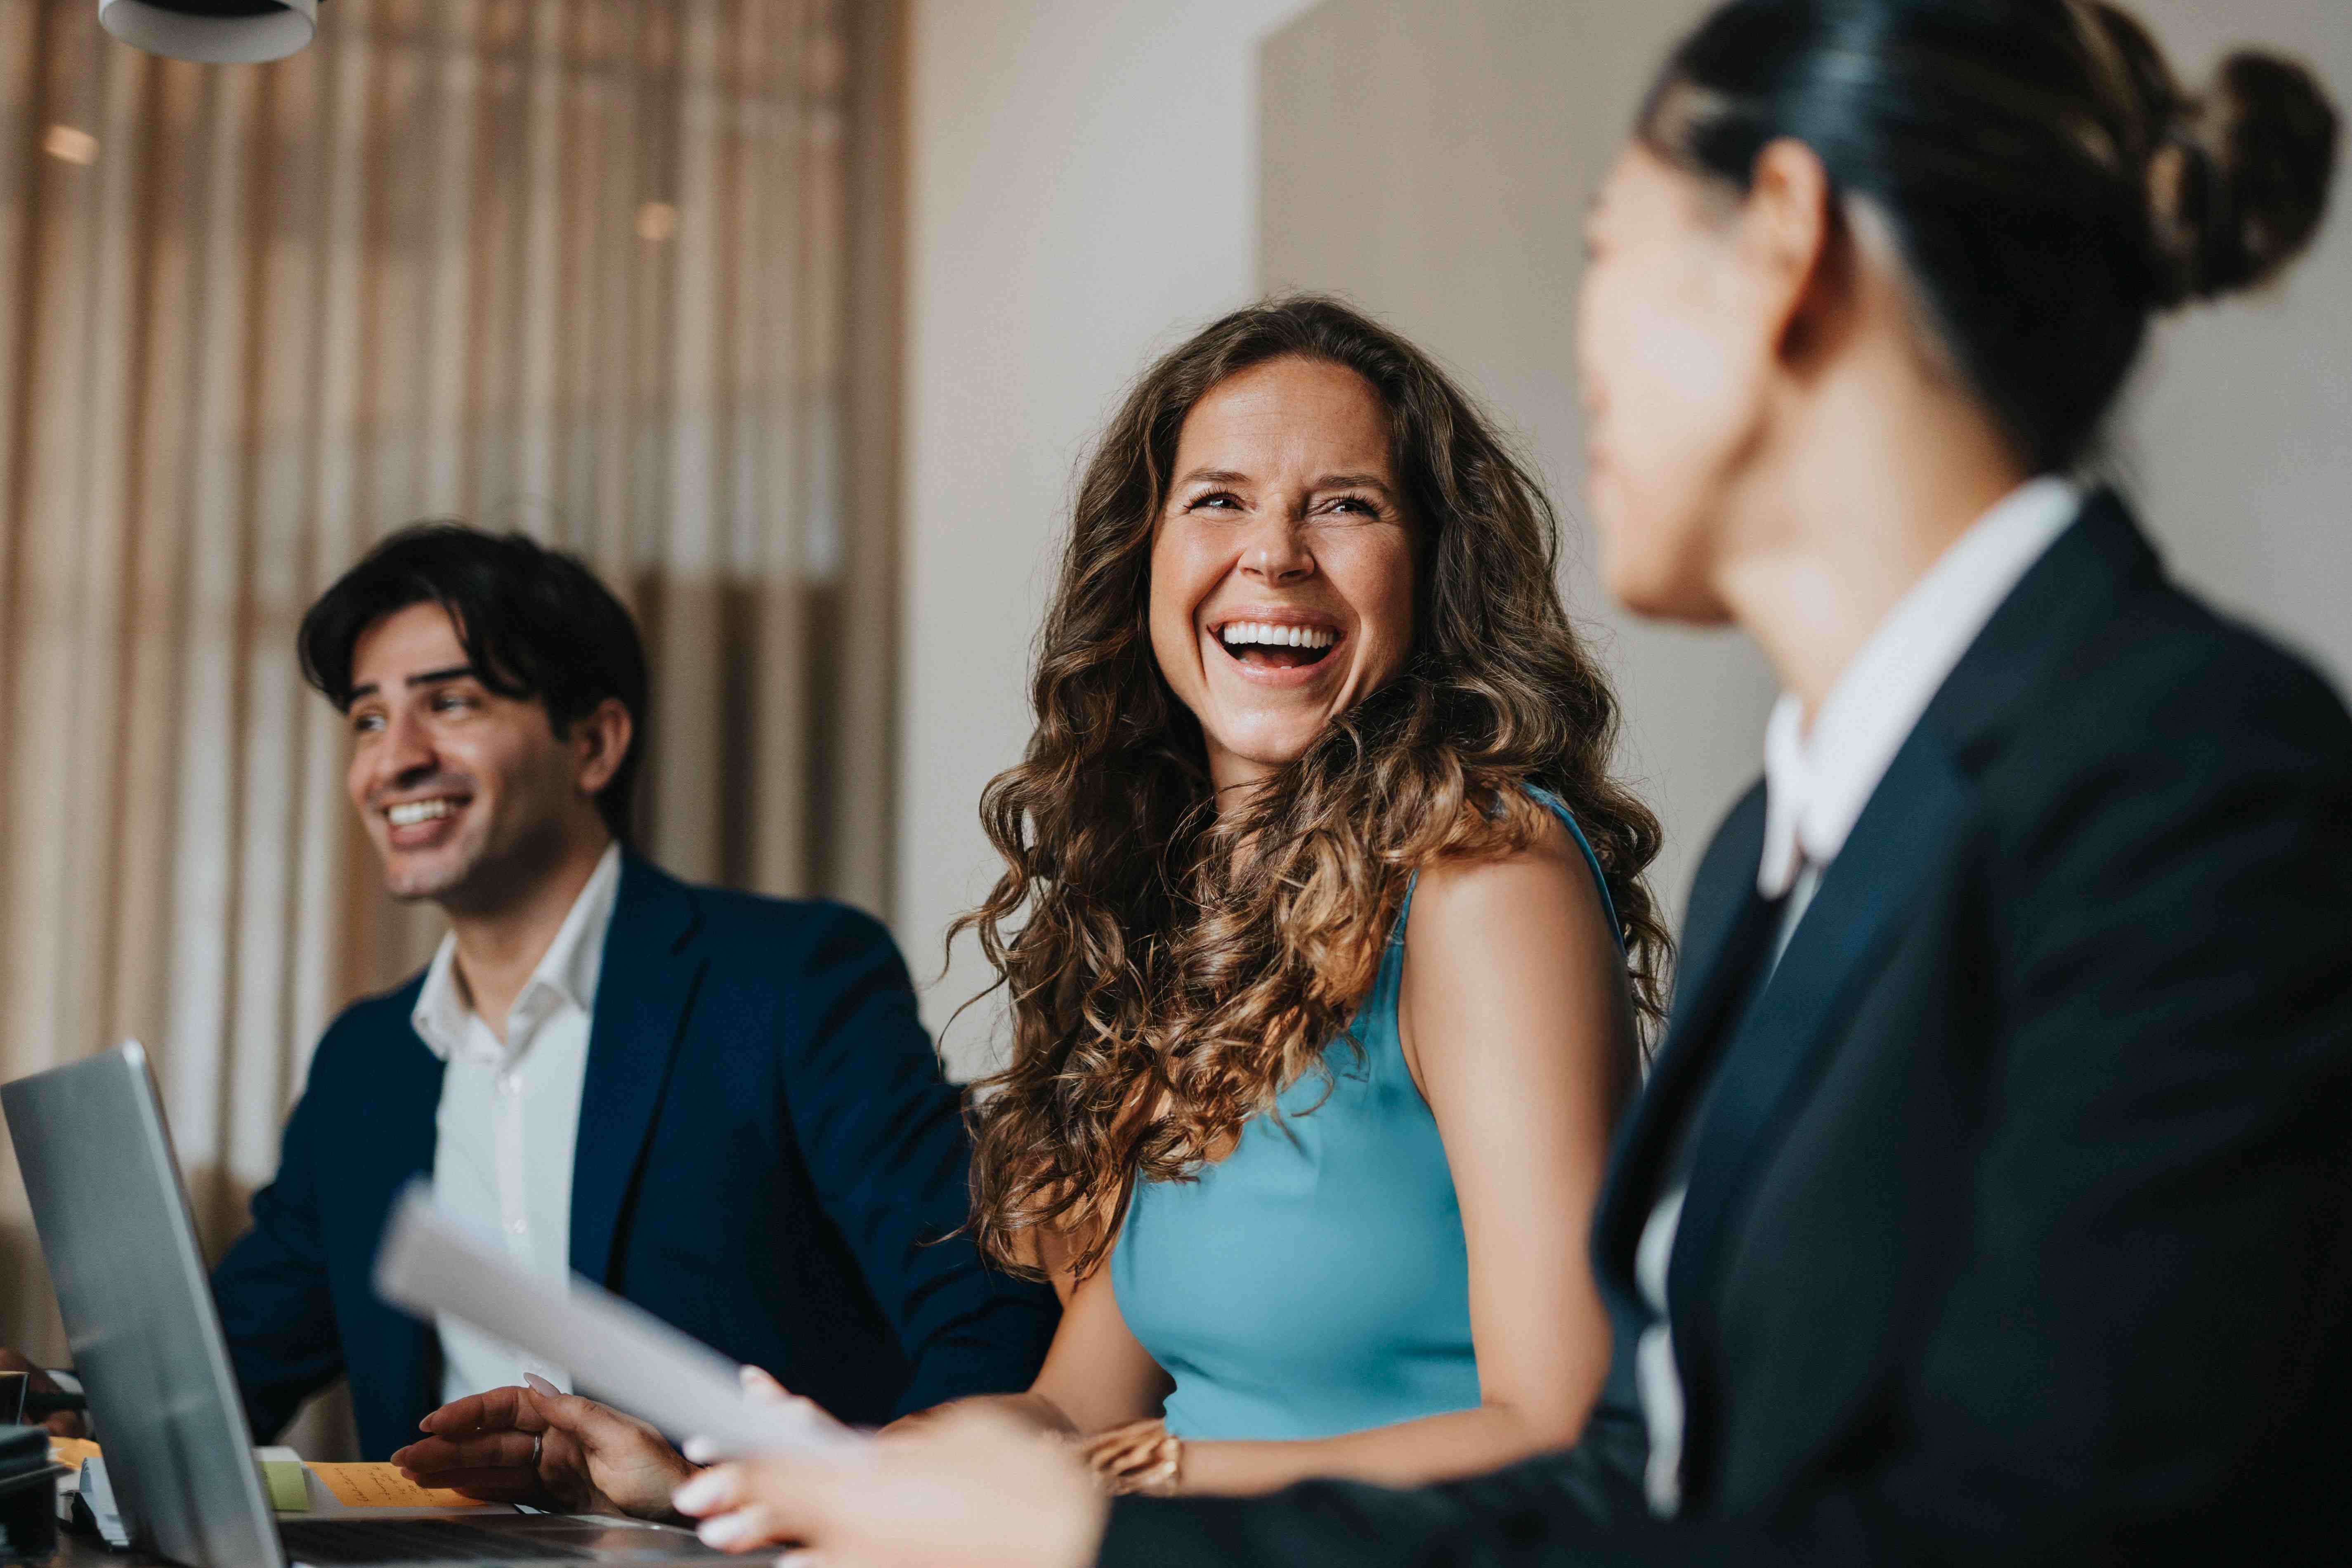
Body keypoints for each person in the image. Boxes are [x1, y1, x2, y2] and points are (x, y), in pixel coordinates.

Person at [661, 0, 2352, 1562]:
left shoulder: (2190, 775)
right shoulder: (1804, 817)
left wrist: (1107, 1532)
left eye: (1605, 257)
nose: (1583, 358)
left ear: (1785, 241)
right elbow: (1656, 1465)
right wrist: (746, 1475)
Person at [447, 297, 1669, 1524]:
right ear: (1144, 560)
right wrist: (727, 1470)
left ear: (1433, 570)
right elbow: (1070, 1411)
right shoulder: (1197, 929)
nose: (1276, 554)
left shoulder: (1485, 873)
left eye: (1346, 505)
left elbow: (1561, 1428)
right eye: (1219, 500)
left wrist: (1160, 1474)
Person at [5, 524, 1058, 1500]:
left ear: (593, 745)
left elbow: (982, 1313)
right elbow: (216, 1380)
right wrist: (38, 1400)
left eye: (450, 702)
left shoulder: (792, 981)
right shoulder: (365, 1066)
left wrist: (880, 1526)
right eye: (368, 716)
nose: (394, 756)